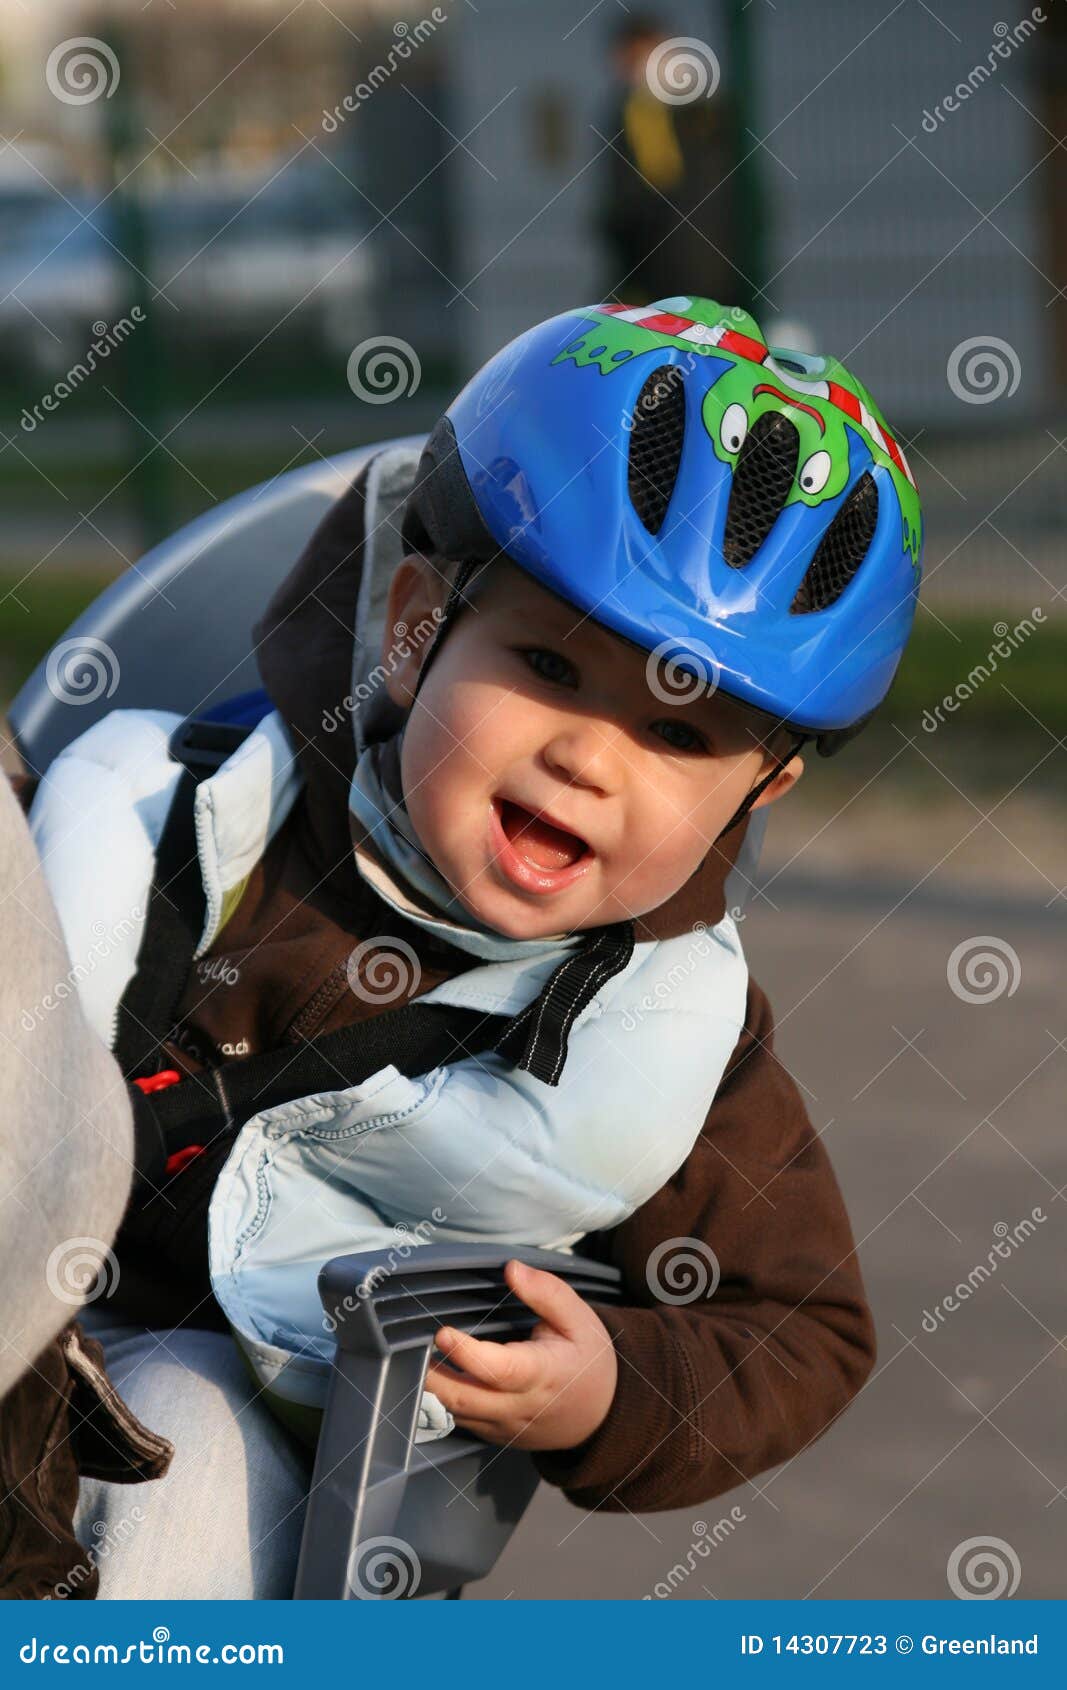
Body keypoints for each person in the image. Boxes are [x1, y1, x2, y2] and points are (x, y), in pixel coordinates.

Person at [11, 294, 921, 1598]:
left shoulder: (670, 1041)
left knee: (190, 1438)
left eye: (676, 736)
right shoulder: (165, 825)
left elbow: (803, 1329)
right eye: (549, 666)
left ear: (759, 790)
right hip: (19, 1330)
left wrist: (604, 1387)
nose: (585, 756)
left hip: (249, 1483)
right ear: (412, 620)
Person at [595, 15, 741, 307]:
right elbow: (635, 203)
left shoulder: (706, 113)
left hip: (714, 272)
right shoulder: (635, 115)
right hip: (661, 279)